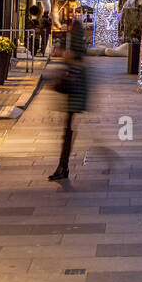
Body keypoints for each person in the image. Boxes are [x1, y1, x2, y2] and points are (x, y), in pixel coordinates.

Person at [49, 10, 90, 181]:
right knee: (68, 128)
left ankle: (63, 166)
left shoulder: (76, 33)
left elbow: (76, 55)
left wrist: (61, 52)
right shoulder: (76, 33)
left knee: (68, 129)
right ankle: (62, 165)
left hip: (74, 88)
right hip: (76, 88)